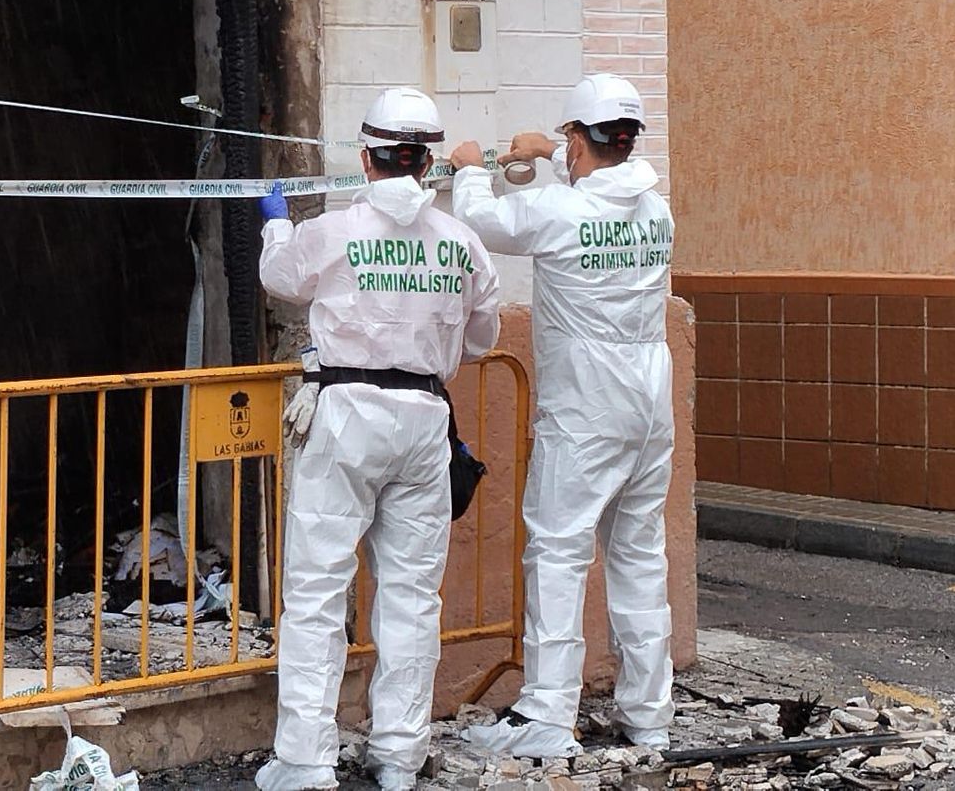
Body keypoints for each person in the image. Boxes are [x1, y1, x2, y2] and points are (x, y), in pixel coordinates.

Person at [254, 87, 503, 791]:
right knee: (412, 594)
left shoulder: (333, 231)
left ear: (366, 158)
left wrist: (275, 226)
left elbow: (279, 278)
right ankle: (398, 754)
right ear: (426, 163)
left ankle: (306, 760)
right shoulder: (461, 242)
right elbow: (482, 338)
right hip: (424, 419)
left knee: (316, 590)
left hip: (346, 414)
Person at [447, 74, 676, 758]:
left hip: (585, 408)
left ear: (581, 140)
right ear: (628, 140)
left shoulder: (557, 211)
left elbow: (483, 221)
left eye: (569, 139)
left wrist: (469, 170)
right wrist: (549, 154)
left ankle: (547, 713)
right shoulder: (656, 212)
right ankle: (650, 715)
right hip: (649, 403)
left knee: (557, 550)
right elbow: (598, 195)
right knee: (639, 556)